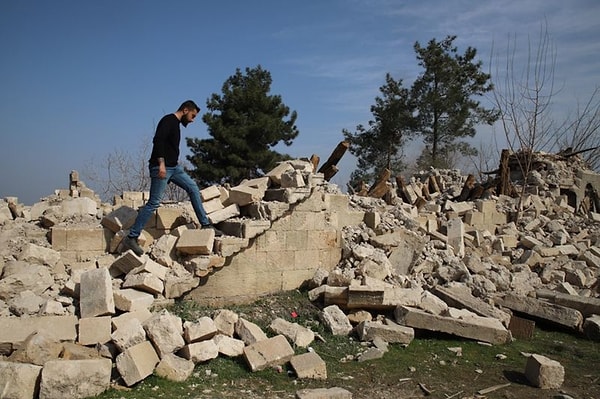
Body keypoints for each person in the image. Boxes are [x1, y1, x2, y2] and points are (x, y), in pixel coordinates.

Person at [122, 100, 222, 256]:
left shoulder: (176, 124)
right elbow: (158, 141)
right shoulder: (168, 120)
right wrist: (161, 164)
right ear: (185, 109)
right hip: (161, 167)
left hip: (174, 168)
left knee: (193, 188)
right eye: (192, 115)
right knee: (154, 202)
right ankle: (131, 237)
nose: (192, 120)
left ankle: (206, 225)